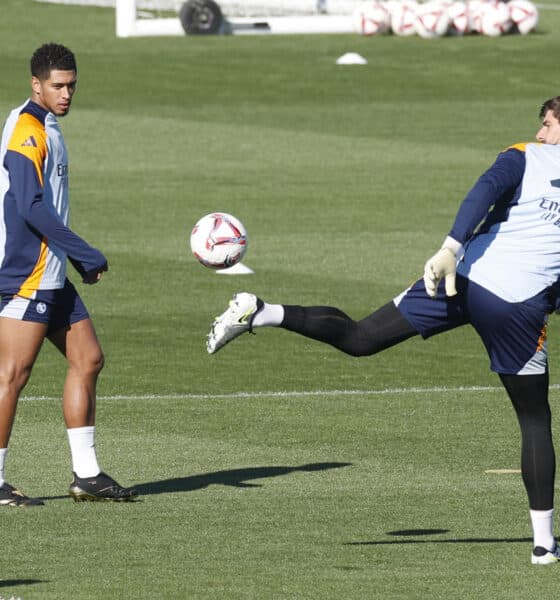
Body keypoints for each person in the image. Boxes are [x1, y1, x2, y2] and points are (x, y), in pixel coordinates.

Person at [207, 97, 560, 565]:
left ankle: (262, 311)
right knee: (534, 420)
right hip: (514, 303)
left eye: (550, 126)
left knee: (362, 338)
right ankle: (543, 545)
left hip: (460, 275)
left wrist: (450, 247)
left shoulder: (524, 155)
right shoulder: (531, 153)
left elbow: (485, 189)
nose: (541, 134)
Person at [0, 43, 137, 505]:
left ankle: (87, 474)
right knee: (13, 374)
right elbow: (28, 205)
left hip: (50, 270)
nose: (66, 93)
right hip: (26, 272)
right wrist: (83, 252)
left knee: (89, 358)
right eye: (58, 86)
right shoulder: (26, 130)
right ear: (36, 84)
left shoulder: (47, 125)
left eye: (71, 85)